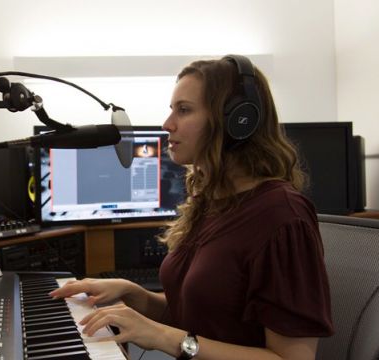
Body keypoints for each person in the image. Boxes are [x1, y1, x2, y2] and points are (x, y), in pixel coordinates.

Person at [49, 55, 334, 360]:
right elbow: (198, 317)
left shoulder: (281, 216)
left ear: (237, 121)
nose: (167, 124)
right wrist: (133, 293)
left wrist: (163, 337)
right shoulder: (213, 202)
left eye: (183, 110)